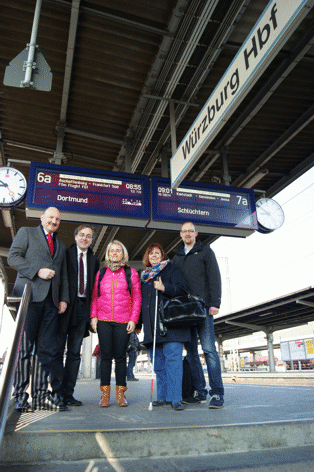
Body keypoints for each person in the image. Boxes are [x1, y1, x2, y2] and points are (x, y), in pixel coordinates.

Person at [7, 207, 69, 412]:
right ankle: (19, 395)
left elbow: (64, 276)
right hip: (29, 298)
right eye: (50, 217)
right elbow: (13, 257)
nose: (54, 221)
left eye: (57, 219)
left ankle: (41, 395)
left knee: (46, 351)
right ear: (42, 218)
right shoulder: (26, 232)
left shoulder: (60, 245)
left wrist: (63, 299)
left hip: (51, 303)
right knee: (24, 349)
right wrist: (37, 271)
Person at [172, 221, 224, 409]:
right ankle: (199, 392)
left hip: (203, 309)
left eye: (190, 231)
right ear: (180, 234)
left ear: (196, 233)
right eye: (184, 231)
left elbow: (214, 277)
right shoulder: (177, 257)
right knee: (192, 352)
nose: (187, 234)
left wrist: (214, 303)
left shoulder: (205, 251)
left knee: (209, 350)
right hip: (185, 312)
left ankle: (217, 393)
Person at [50, 225, 99, 406]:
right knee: (56, 351)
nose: (84, 238)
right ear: (76, 236)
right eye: (82, 235)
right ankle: (56, 392)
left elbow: (94, 289)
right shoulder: (65, 253)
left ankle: (68, 393)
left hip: (82, 309)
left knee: (74, 353)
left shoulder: (94, 260)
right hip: (64, 306)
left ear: (92, 240)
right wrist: (60, 300)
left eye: (88, 236)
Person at [139, 243, 190, 411]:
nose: (154, 255)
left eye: (157, 253)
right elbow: (141, 302)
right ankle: (162, 397)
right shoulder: (145, 276)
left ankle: (175, 398)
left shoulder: (171, 269)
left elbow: (183, 290)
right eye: (151, 253)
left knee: (173, 362)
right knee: (159, 364)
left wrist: (164, 287)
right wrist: (139, 323)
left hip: (171, 326)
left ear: (163, 255)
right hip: (152, 329)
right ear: (147, 256)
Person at [90, 240, 141, 407]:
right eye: (112, 250)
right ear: (108, 253)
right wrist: (93, 316)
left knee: (120, 357)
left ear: (123, 253)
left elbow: (137, 297)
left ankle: (120, 394)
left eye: (118, 250)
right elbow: (95, 297)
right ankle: (105, 395)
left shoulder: (130, 272)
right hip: (103, 320)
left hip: (123, 320)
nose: (114, 253)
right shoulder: (101, 273)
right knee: (105, 357)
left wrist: (133, 319)